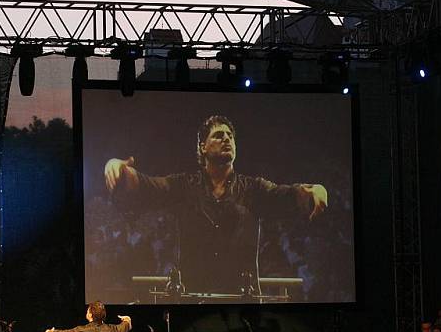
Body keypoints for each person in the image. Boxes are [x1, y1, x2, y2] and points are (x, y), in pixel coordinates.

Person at [104, 115, 328, 294]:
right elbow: (147, 186)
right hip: (194, 298)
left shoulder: (253, 188)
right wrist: (118, 168)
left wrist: (313, 190)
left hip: (242, 299)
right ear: (202, 147)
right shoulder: (183, 185)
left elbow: (286, 195)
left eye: (230, 135)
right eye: (219, 135)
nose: (227, 139)